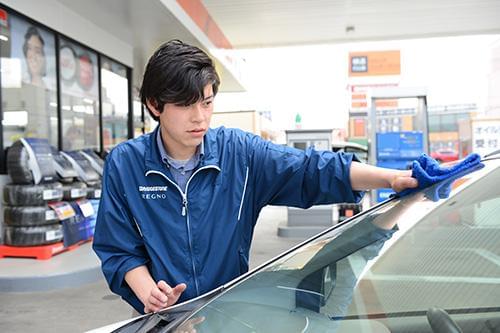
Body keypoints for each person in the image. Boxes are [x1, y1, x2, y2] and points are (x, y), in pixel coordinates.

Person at [92, 40, 418, 315]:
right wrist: (151, 295)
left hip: (229, 314)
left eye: (207, 102)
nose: (200, 116)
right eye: (185, 104)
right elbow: (118, 248)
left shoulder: (240, 153)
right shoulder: (126, 164)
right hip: (164, 321)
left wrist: (392, 179)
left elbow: (310, 169)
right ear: (155, 104)